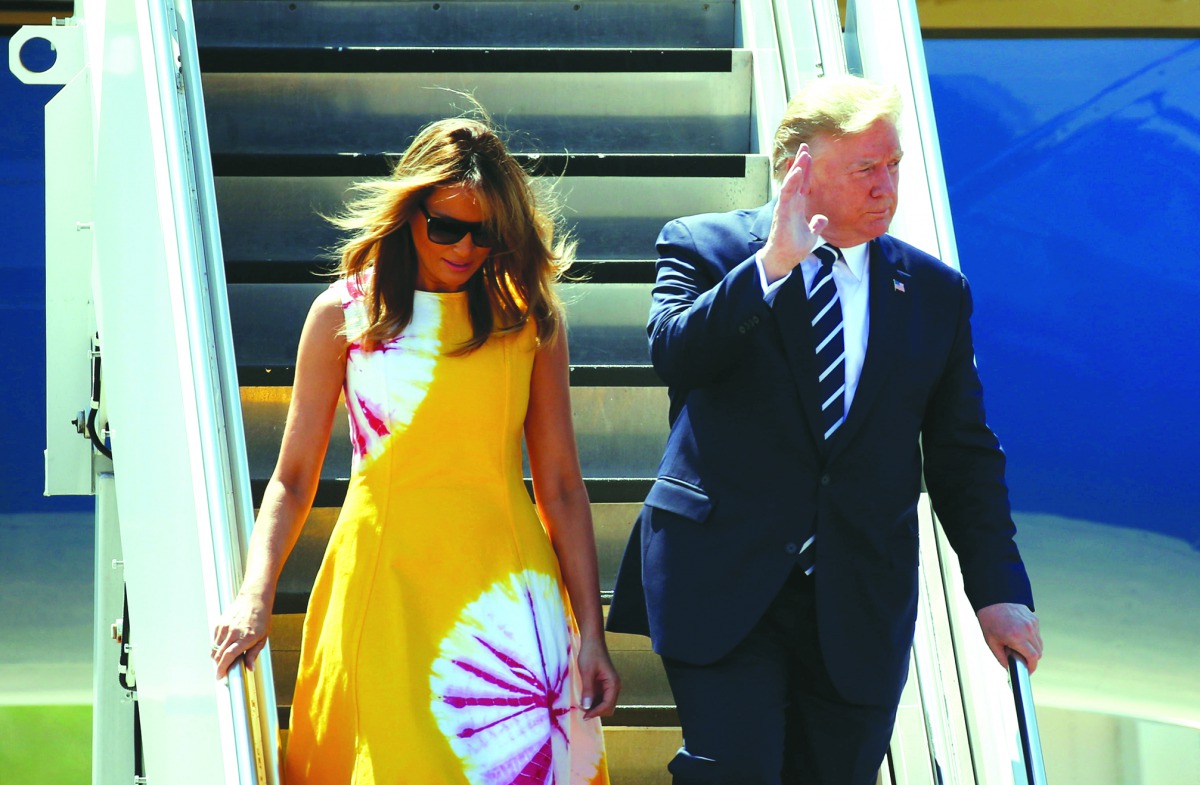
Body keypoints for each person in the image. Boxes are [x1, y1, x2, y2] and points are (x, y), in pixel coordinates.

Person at [606, 74, 1042, 784]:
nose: (886, 186)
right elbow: (677, 353)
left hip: (858, 599)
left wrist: (996, 587)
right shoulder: (704, 248)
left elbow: (963, 455)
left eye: (893, 164)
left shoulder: (934, 292)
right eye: (865, 168)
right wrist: (772, 265)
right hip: (725, 584)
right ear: (796, 169)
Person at [211, 116, 618, 784]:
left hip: (506, 601)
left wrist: (591, 632)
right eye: (446, 227)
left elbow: (563, 487)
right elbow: (290, 477)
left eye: (484, 233)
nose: (465, 246)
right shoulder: (343, 315)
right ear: (409, 214)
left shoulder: (529, 321)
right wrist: (254, 595)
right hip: (382, 586)